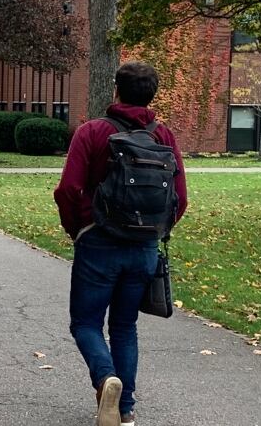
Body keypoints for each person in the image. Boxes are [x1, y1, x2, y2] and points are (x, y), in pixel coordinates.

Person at [53, 62, 188, 426]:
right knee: (125, 326)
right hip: (144, 248)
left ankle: (105, 379)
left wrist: (76, 228)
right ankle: (125, 410)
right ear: (152, 95)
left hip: (98, 241)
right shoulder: (164, 137)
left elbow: (67, 189)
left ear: (115, 90)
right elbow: (181, 198)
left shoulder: (92, 132)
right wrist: (153, 231)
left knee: (85, 323)